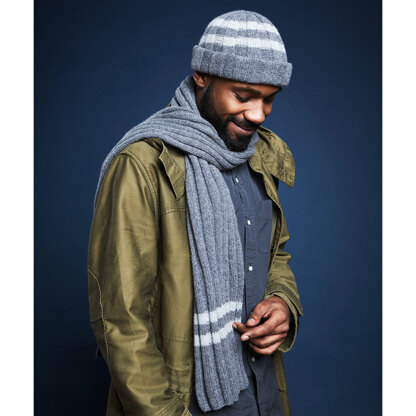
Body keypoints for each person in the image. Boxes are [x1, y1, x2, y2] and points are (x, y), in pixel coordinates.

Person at [88, 9, 303, 416]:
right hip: (181, 404)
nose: (258, 115)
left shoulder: (257, 156)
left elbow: (274, 254)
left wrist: (282, 302)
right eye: (243, 96)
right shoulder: (141, 165)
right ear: (202, 75)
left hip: (263, 396)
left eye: (269, 99)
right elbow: (121, 321)